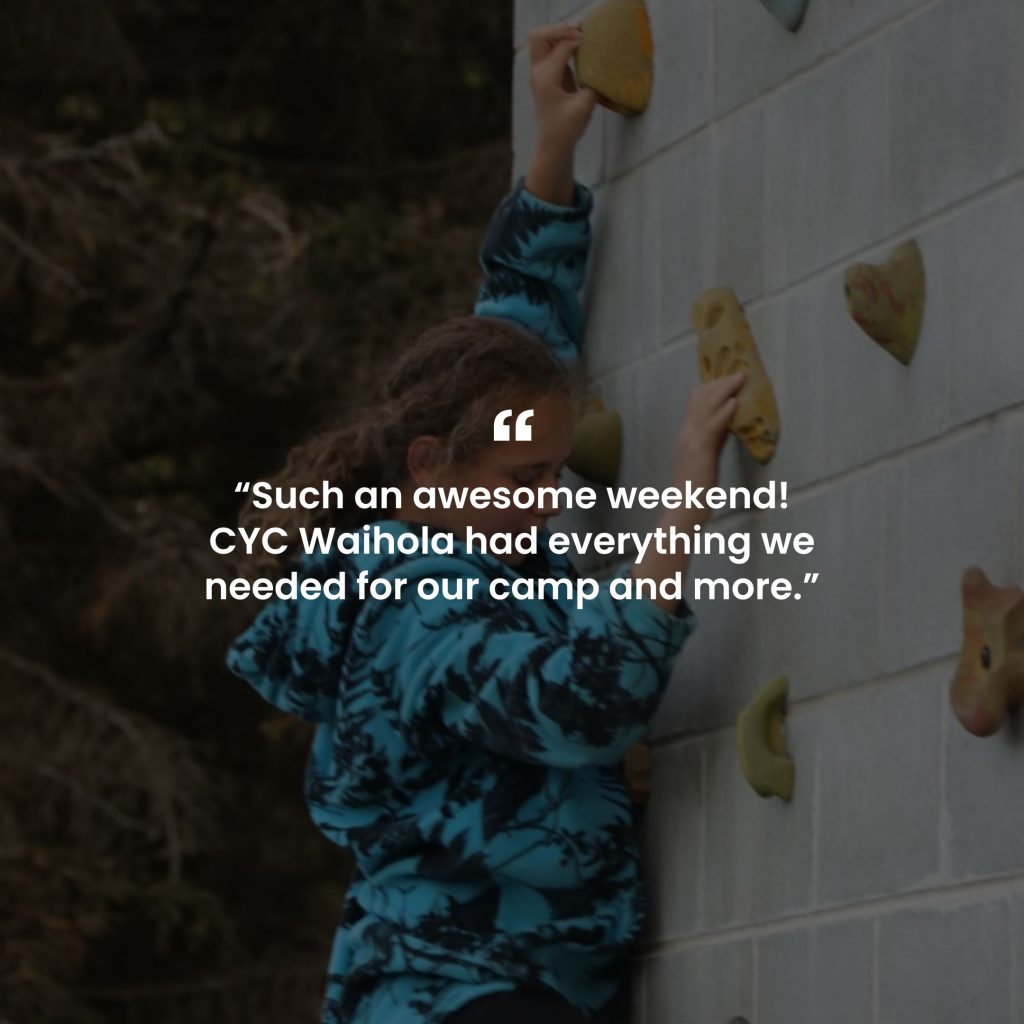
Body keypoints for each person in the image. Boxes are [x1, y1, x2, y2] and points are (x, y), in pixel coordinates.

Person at [225, 21, 746, 1024]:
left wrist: (552, 149)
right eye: (526, 476)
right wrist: (688, 485)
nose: (548, 497)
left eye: (554, 470)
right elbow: (585, 699)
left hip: (516, 978)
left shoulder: (467, 524)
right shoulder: (414, 607)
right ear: (431, 466)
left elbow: (516, 332)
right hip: (456, 992)